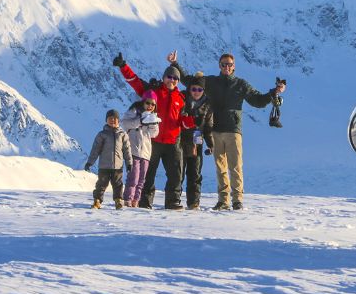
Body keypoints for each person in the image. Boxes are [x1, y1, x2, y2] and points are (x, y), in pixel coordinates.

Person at [170, 51, 285, 211]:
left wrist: (274, 93)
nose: (226, 67)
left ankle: (237, 200)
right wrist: (175, 64)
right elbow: (189, 81)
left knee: (236, 166)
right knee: (220, 167)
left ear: (234, 66)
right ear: (219, 65)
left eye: (229, 64)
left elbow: (257, 100)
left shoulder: (241, 84)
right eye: (223, 64)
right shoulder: (210, 81)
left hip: (233, 130)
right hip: (215, 129)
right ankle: (223, 200)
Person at [113, 53, 193, 210]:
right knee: (148, 174)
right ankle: (145, 202)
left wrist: (190, 123)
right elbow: (135, 82)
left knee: (176, 175)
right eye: (169, 77)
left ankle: (172, 202)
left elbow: (186, 114)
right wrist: (123, 66)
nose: (172, 80)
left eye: (175, 78)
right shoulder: (153, 91)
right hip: (153, 140)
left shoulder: (181, 97)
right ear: (164, 78)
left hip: (173, 141)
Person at [84, 109, 133, 210]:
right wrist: (90, 162)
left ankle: (118, 201)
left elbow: (127, 150)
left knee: (118, 185)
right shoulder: (102, 134)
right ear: (106, 120)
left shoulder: (123, 134)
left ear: (118, 121)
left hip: (117, 166)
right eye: (110, 118)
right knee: (101, 184)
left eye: (115, 118)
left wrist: (129, 163)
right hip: (104, 166)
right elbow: (95, 149)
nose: (113, 120)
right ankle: (97, 201)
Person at [179, 72, 214, 210]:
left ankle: (193, 202)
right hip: (181, 138)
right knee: (178, 172)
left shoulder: (207, 105)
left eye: (200, 89)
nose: (196, 92)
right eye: (194, 89)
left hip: (197, 139)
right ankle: (174, 200)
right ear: (189, 89)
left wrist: (211, 144)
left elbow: (209, 127)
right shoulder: (182, 99)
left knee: (195, 172)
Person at [120, 99, 160, 207]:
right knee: (134, 176)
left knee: (142, 178)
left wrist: (153, 123)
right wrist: (140, 120)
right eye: (148, 103)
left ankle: (136, 200)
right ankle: (127, 198)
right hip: (133, 150)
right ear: (143, 102)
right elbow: (124, 124)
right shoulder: (134, 112)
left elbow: (154, 134)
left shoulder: (153, 117)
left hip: (146, 152)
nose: (150, 106)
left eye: (153, 104)